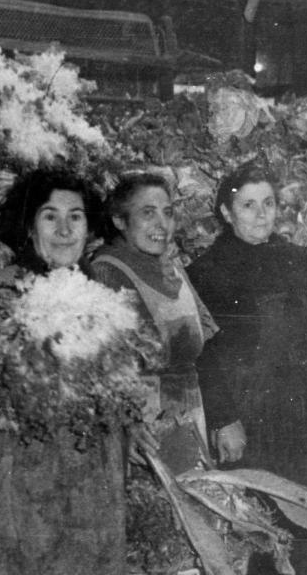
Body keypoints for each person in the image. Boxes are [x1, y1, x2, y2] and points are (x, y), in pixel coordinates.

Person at [0, 169, 125, 574]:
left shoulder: (105, 298)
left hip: (88, 472)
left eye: (75, 216)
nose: (63, 229)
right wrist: (21, 376)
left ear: (89, 226)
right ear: (29, 225)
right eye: (49, 215)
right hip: (14, 466)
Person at [188, 162, 307, 574]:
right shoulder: (206, 272)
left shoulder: (294, 258)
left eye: (269, 203)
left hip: (304, 402)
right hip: (251, 410)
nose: (262, 214)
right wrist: (224, 419)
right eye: (248, 205)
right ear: (226, 212)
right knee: (262, 519)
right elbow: (202, 353)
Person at [89, 171, 217, 476]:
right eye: (148, 213)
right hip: (143, 429)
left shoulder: (172, 269)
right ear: (120, 220)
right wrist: (129, 424)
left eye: (168, 212)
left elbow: (203, 347)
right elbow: (100, 372)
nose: (163, 224)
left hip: (189, 416)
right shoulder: (106, 273)